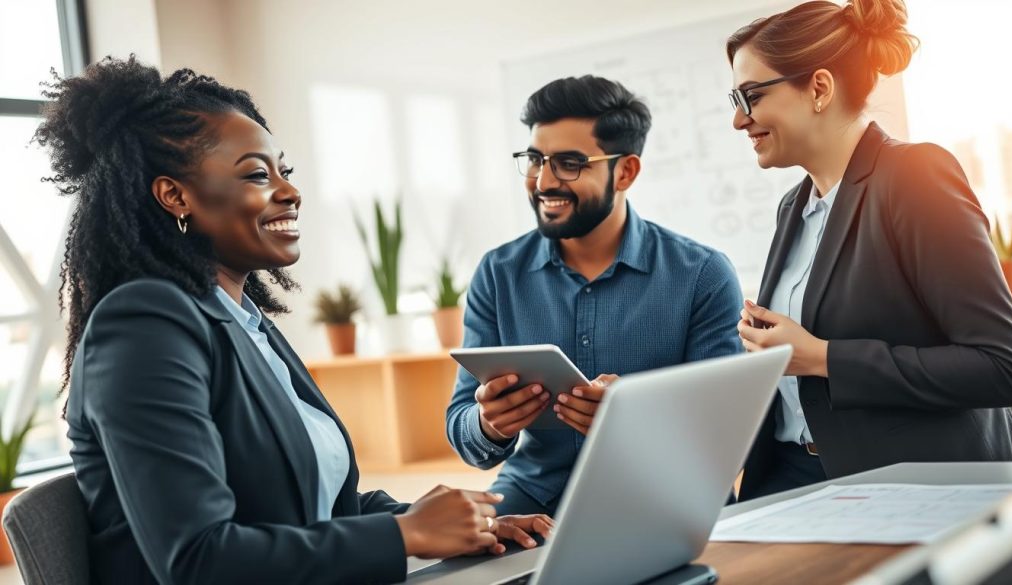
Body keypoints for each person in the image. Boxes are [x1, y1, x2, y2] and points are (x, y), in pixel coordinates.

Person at [41, 57, 552, 585]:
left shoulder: (242, 320)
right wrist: (406, 536)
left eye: (286, 172)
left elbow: (317, 504)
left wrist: (455, 524)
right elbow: (198, 559)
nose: (290, 192)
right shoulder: (144, 325)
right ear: (176, 196)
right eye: (259, 175)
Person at [728, 0, 1012, 501]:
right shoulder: (793, 206)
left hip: (914, 491)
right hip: (796, 482)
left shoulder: (914, 176)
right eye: (735, 98)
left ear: (819, 88)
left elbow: (1003, 365)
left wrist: (823, 357)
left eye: (751, 96)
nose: (739, 120)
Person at [446, 75, 744, 516]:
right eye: (534, 159)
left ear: (624, 171)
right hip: (536, 495)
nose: (543, 181)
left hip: (667, 492)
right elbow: (465, 430)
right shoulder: (498, 273)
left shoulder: (701, 274)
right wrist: (489, 425)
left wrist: (641, 422)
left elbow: (725, 430)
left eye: (568, 163)